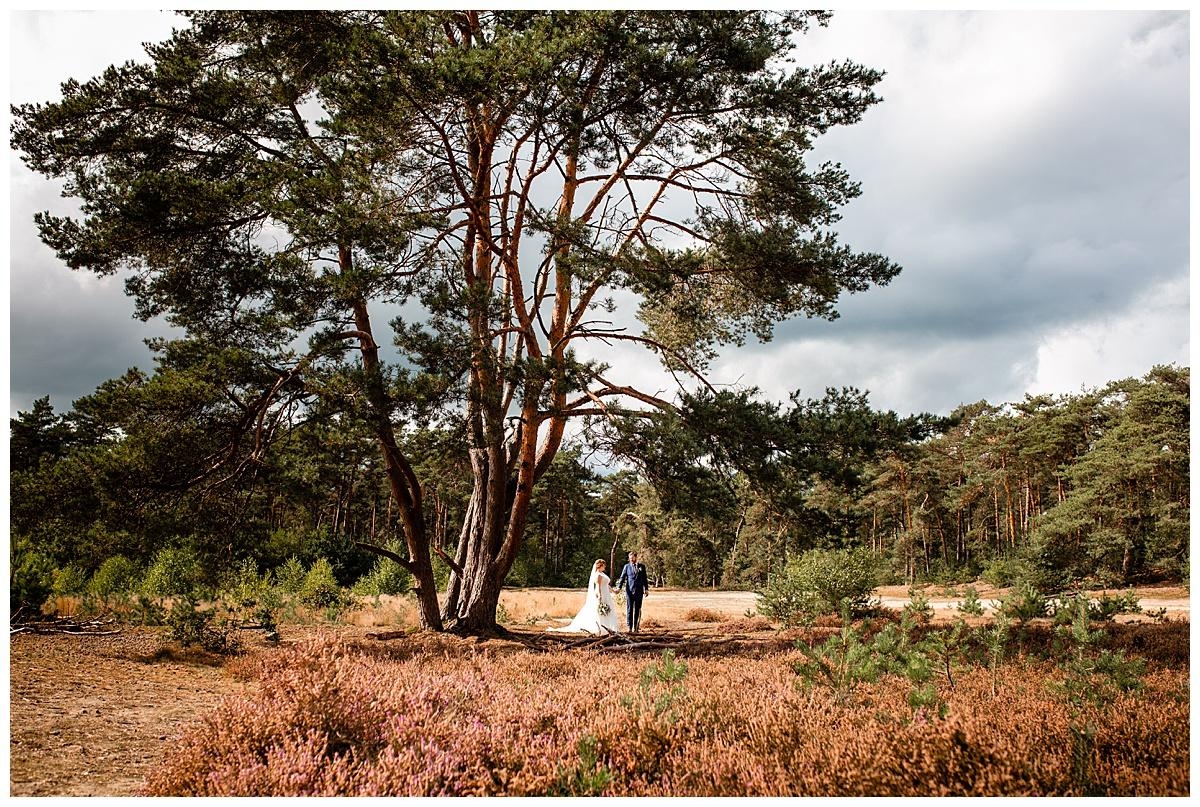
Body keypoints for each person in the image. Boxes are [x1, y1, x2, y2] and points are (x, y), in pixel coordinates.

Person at [547, 559, 619, 635]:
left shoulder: (602, 574)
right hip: (602, 594)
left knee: (607, 611)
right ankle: (601, 626)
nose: (605, 567)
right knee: (600, 611)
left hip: (607, 594)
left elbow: (606, 585)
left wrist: (614, 591)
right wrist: (599, 596)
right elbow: (598, 586)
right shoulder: (598, 575)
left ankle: (608, 626)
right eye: (604, 565)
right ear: (600, 566)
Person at [613, 551, 649, 633]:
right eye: (630, 558)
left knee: (638, 609)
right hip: (629, 591)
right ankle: (629, 627)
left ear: (636, 557)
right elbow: (622, 578)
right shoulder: (626, 567)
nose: (631, 559)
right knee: (629, 609)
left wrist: (646, 589)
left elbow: (644, 579)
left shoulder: (642, 567)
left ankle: (636, 628)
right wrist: (619, 587)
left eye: (632, 558)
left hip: (639, 591)